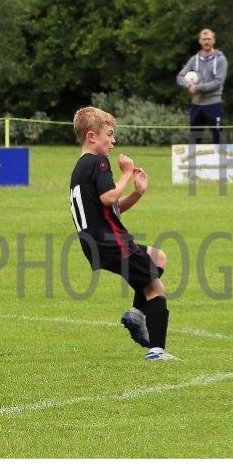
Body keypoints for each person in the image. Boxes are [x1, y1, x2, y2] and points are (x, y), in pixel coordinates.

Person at [69, 106, 179, 361]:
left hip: (96, 242)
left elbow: (112, 209)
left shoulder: (80, 168)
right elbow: (109, 198)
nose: (113, 140)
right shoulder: (98, 162)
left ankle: (136, 315)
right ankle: (157, 351)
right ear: (91, 137)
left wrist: (137, 193)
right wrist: (127, 172)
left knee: (158, 257)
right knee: (155, 287)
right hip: (111, 241)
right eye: (109, 134)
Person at [177, 28, 228, 144]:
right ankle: (194, 157)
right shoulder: (194, 59)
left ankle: (220, 156)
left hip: (214, 103)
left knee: (218, 137)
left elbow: (218, 82)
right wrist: (188, 85)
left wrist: (198, 88)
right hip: (196, 104)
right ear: (200, 41)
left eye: (209, 39)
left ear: (213, 40)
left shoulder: (221, 59)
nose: (206, 42)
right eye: (204, 39)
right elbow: (180, 77)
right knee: (194, 139)